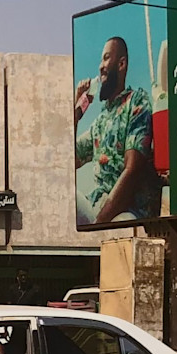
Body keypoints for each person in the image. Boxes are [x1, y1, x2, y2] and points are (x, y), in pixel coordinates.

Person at [74, 37, 158, 224]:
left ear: (121, 64)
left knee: (123, 224)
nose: (100, 67)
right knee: (63, 194)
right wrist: (76, 111)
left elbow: (132, 170)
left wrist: (99, 222)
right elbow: (67, 161)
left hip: (127, 212)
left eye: (105, 58)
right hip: (97, 208)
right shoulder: (101, 121)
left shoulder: (137, 102)